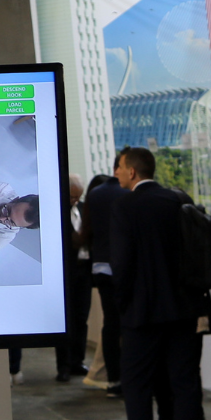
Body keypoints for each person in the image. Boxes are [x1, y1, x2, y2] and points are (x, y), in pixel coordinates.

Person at [109, 146, 204, 420]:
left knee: (137, 387)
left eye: (120, 168)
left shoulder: (125, 207)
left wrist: (123, 306)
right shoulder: (179, 201)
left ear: (133, 172)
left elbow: (121, 265)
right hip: (184, 310)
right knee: (185, 384)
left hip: (141, 314)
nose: (117, 173)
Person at [84, 157, 127, 396]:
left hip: (100, 266)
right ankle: (129, 378)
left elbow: (88, 230)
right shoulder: (126, 193)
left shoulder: (96, 194)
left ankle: (113, 380)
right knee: (128, 325)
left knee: (110, 325)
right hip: (123, 268)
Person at [59, 174, 91, 381]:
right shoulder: (57, 211)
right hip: (67, 272)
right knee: (66, 321)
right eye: (72, 197)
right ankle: (63, 366)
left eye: (78, 197)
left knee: (82, 318)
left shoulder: (84, 210)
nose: (75, 201)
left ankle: (78, 361)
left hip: (85, 270)